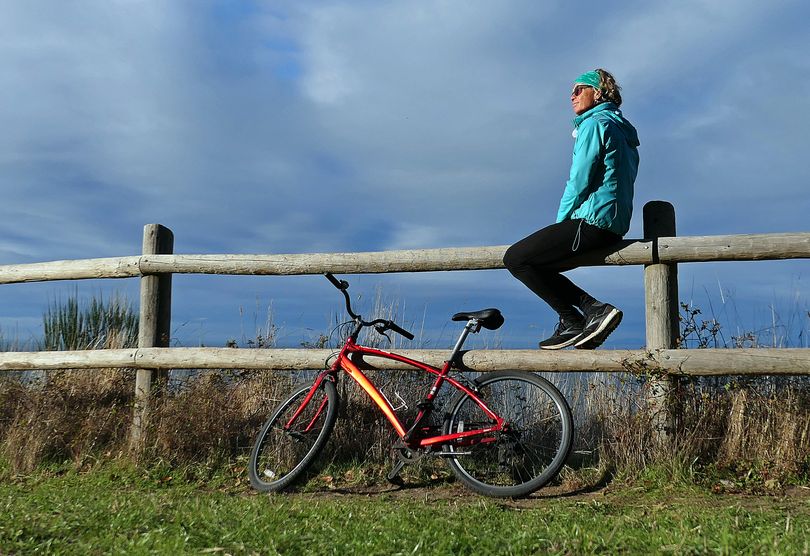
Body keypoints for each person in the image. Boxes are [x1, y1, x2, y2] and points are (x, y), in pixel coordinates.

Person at [503, 69, 639, 350]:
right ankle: (574, 321)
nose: (572, 95)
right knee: (539, 264)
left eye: (579, 89)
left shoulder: (594, 124)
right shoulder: (623, 131)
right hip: (614, 224)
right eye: (572, 91)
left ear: (598, 93)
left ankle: (587, 313)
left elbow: (579, 181)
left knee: (516, 258)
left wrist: (560, 224)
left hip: (590, 220)